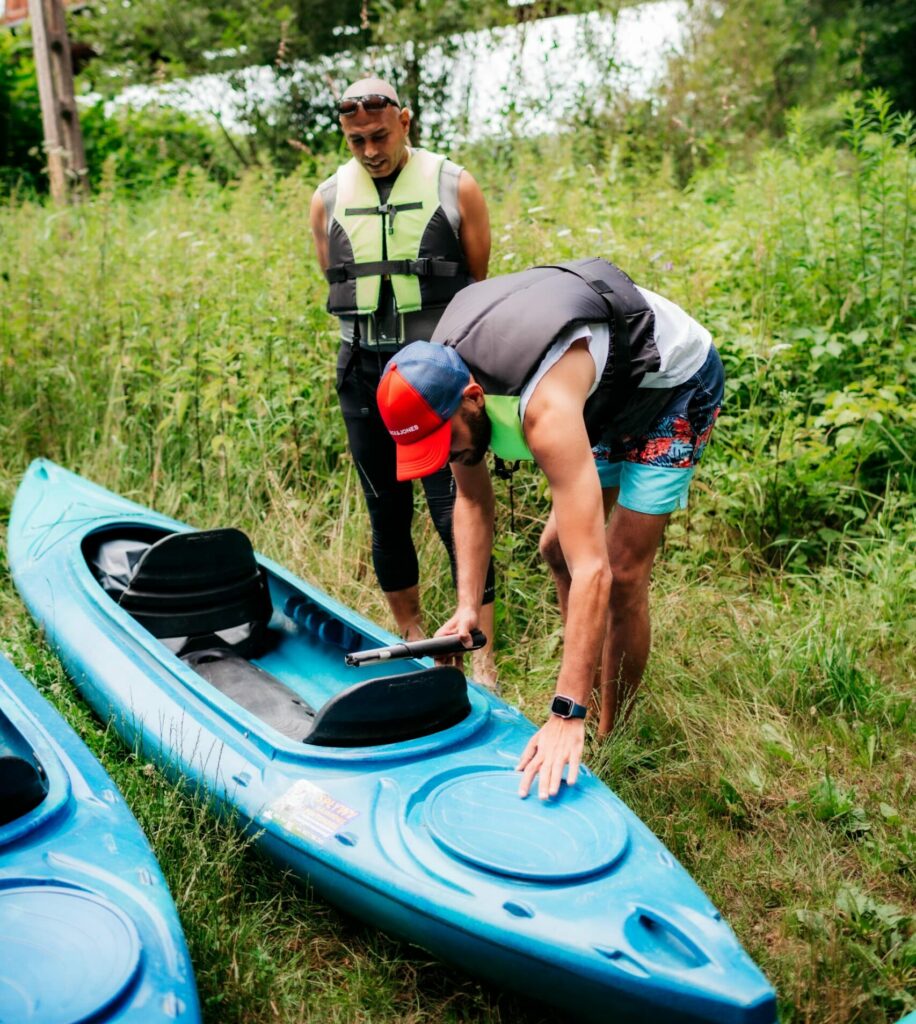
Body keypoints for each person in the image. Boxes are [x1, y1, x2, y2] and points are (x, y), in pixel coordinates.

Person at [375, 258, 724, 799]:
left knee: (621, 573)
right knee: (559, 548)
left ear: (472, 399)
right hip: (607, 389)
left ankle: (613, 734)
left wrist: (565, 711)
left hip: (670, 386)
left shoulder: (545, 412)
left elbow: (597, 570)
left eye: (444, 443)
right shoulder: (438, 382)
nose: (445, 457)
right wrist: (468, 606)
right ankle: (587, 667)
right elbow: (470, 496)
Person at [309, 76, 498, 686]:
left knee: (455, 503)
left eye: (380, 136)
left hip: (436, 371)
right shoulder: (327, 197)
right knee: (384, 508)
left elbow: (477, 274)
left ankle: (483, 658)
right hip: (363, 370)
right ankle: (412, 639)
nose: (369, 150)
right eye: (356, 139)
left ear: (406, 121)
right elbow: (329, 273)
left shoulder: (455, 184)